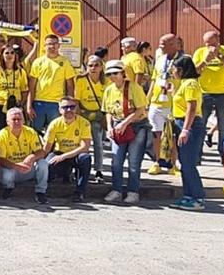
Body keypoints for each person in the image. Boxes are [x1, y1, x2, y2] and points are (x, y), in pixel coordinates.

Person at [103, 60, 149, 204]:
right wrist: (110, 127)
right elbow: (108, 111)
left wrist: (125, 122)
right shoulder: (109, 90)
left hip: (136, 126)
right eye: (109, 74)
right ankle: (116, 189)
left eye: (115, 73)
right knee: (116, 161)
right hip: (117, 126)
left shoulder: (134, 87)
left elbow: (140, 109)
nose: (113, 76)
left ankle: (133, 191)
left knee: (134, 162)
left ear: (123, 73)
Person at [193, 30, 224, 153]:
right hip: (204, 93)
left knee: (223, 125)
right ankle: (197, 153)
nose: (209, 47)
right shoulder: (200, 52)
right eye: (207, 44)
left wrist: (219, 56)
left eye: (212, 44)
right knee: (201, 125)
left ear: (218, 41)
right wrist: (205, 61)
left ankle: (223, 154)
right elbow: (194, 72)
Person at [169, 55, 206, 210]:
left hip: (190, 124)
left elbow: (191, 107)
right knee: (184, 162)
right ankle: (188, 195)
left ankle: (198, 197)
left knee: (189, 163)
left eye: (175, 69)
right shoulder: (183, 84)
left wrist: (185, 129)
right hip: (181, 122)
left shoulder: (190, 84)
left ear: (182, 70)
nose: (172, 71)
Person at [42, 97, 92, 203]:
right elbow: (46, 147)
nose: (69, 110)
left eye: (72, 107)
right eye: (65, 107)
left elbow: (85, 147)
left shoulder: (84, 123)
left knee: (86, 158)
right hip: (59, 152)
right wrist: (40, 162)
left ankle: (79, 192)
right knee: (47, 164)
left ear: (76, 108)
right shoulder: (54, 124)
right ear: (60, 110)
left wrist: (64, 156)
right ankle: (44, 190)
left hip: (76, 153)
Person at [0, 107, 48, 203]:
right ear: (7, 121)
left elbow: (41, 152)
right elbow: (0, 159)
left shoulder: (30, 132)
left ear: (23, 121)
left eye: (19, 119)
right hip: (11, 169)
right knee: (6, 174)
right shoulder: (1, 135)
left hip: (27, 167)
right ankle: (8, 189)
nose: (17, 122)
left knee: (43, 163)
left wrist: (32, 157)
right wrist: (16, 166)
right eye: (13, 119)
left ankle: (41, 192)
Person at [148, 34, 182, 174]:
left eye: (164, 44)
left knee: (172, 135)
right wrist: (148, 98)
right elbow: (154, 79)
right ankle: (157, 161)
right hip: (157, 101)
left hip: (172, 102)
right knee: (156, 133)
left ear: (173, 44)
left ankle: (173, 164)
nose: (160, 46)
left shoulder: (183, 60)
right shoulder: (160, 59)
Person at [27, 35, 76, 132]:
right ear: (44, 46)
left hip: (56, 104)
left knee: (54, 133)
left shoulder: (65, 62)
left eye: (55, 43)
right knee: (35, 133)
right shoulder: (38, 62)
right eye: (49, 44)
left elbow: (70, 86)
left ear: (59, 45)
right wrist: (29, 106)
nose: (52, 46)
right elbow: (31, 87)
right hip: (39, 103)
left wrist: (70, 106)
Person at [74, 56, 108, 182]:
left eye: (96, 65)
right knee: (80, 144)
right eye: (90, 65)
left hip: (98, 116)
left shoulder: (106, 82)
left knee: (98, 143)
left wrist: (105, 116)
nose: (93, 68)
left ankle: (99, 170)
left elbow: (107, 101)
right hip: (84, 114)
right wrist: (78, 118)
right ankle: (79, 170)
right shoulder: (81, 80)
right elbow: (76, 101)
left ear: (101, 67)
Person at [0, 44, 28, 131]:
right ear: (2, 55)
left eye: (12, 53)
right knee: (1, 130)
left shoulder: (21, 71)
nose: (9, 55)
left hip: (14, 105)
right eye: (7, 53)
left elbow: (24, 91)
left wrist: (21, 104)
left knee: (15, 130)